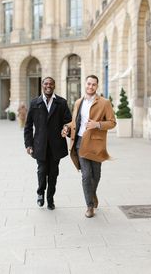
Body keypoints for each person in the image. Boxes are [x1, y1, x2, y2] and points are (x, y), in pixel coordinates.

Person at [62, 75, 116, 218]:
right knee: (86, 175)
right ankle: (89, 206)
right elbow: (75, 122)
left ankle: (92, 195)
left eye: (93, 84)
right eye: (88, 84)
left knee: (96, 175)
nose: (90, 87)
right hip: (80, 142)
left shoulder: (105, 103)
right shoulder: (78, 102)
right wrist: (67, 127)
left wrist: (97, 124)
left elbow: (112, 122)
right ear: (85, 84)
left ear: (96, 86)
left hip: (96, 143)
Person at [24, 77, 72, 210]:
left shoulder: (61, 103)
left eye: (51, 83)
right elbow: (28, 126)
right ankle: (40, 193)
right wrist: (28, 144)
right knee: (41, 171)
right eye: (46, 84)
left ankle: (50, 198)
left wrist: (66, 129)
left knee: (53, 173)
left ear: (54, 85)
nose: (48, 86)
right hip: (39, 145)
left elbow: (68, 121)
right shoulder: (35, 103)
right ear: (42, 85)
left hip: (56, 146)